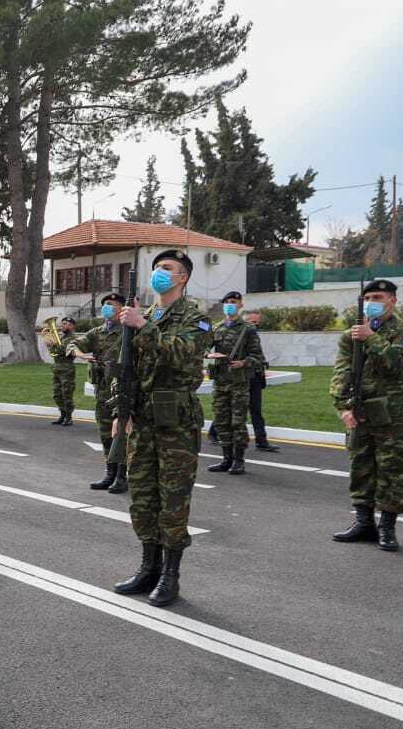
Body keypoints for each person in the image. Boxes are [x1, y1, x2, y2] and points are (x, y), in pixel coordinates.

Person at [112, 250, 212, 607]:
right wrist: (120, 411)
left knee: (172, 502)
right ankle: (148, 568)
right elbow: (127, 368)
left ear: (182, 278)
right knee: (142, 498)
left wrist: (142, 325)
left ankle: (171, 576)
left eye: (167, 269)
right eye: (156, 268)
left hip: (176, 424)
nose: (159, 273)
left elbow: (183, 352)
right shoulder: (146, 315)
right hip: (142, 421)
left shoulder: (196, 318)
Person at [330, 279, 403, 552]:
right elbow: (341, 374)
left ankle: (387, 528)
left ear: (392, 300)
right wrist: (343, 406)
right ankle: (363, 523)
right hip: (361, 412)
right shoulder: (350, 336)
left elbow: (399, 365)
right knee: (361, 468)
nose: (372, 302)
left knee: (391, 472)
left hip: (395, 416)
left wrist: (373, 338)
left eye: (378, 297)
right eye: (368, 297)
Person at [73, 293, 127, 493]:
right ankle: (109, 473)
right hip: (103, 392)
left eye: (111, 305)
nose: (107, 308)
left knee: (121, 435)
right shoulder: (97, 332)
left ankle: (122, 476)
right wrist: (78, 352)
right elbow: (76, 343)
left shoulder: (128, 332)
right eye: (104, 305)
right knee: (106, 434)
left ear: (122, 309)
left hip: (122, 391)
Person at [205, 292, 263, 475]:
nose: (229, 305)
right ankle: (226, 459)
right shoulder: (217, 328)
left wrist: (244, 362)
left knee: (237, 422)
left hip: (239, 383)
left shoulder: (247, 329)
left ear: (240, 305)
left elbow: (257, 356)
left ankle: (239, 460)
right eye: (226, 302)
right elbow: (204, 347)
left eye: (233, 302)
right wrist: (208, 355)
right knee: (221, 422)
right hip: (220, 382)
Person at [242, 309, 280, 452]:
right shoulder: (238, 335)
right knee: (236, 408)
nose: (256, 325)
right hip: (242, 377)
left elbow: (257, 353)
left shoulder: (254, 335)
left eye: (257, 322)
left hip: (256, 376)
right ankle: (215, 432)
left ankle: (261, 440)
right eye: (253, 322)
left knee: (256, 410)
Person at [47, 316, 78, 425]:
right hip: (57, 368)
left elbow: (63, 350)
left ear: (72, 326)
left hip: (67, 369)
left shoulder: (73, 338)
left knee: (67, 394)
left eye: (66, 324)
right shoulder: (62, 337)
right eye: (63, 323)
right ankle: (63, 414)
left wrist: (53, 344)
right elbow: (54, 352)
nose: (63, 325)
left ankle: (69, 417)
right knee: (57, 394)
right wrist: (50, 346)